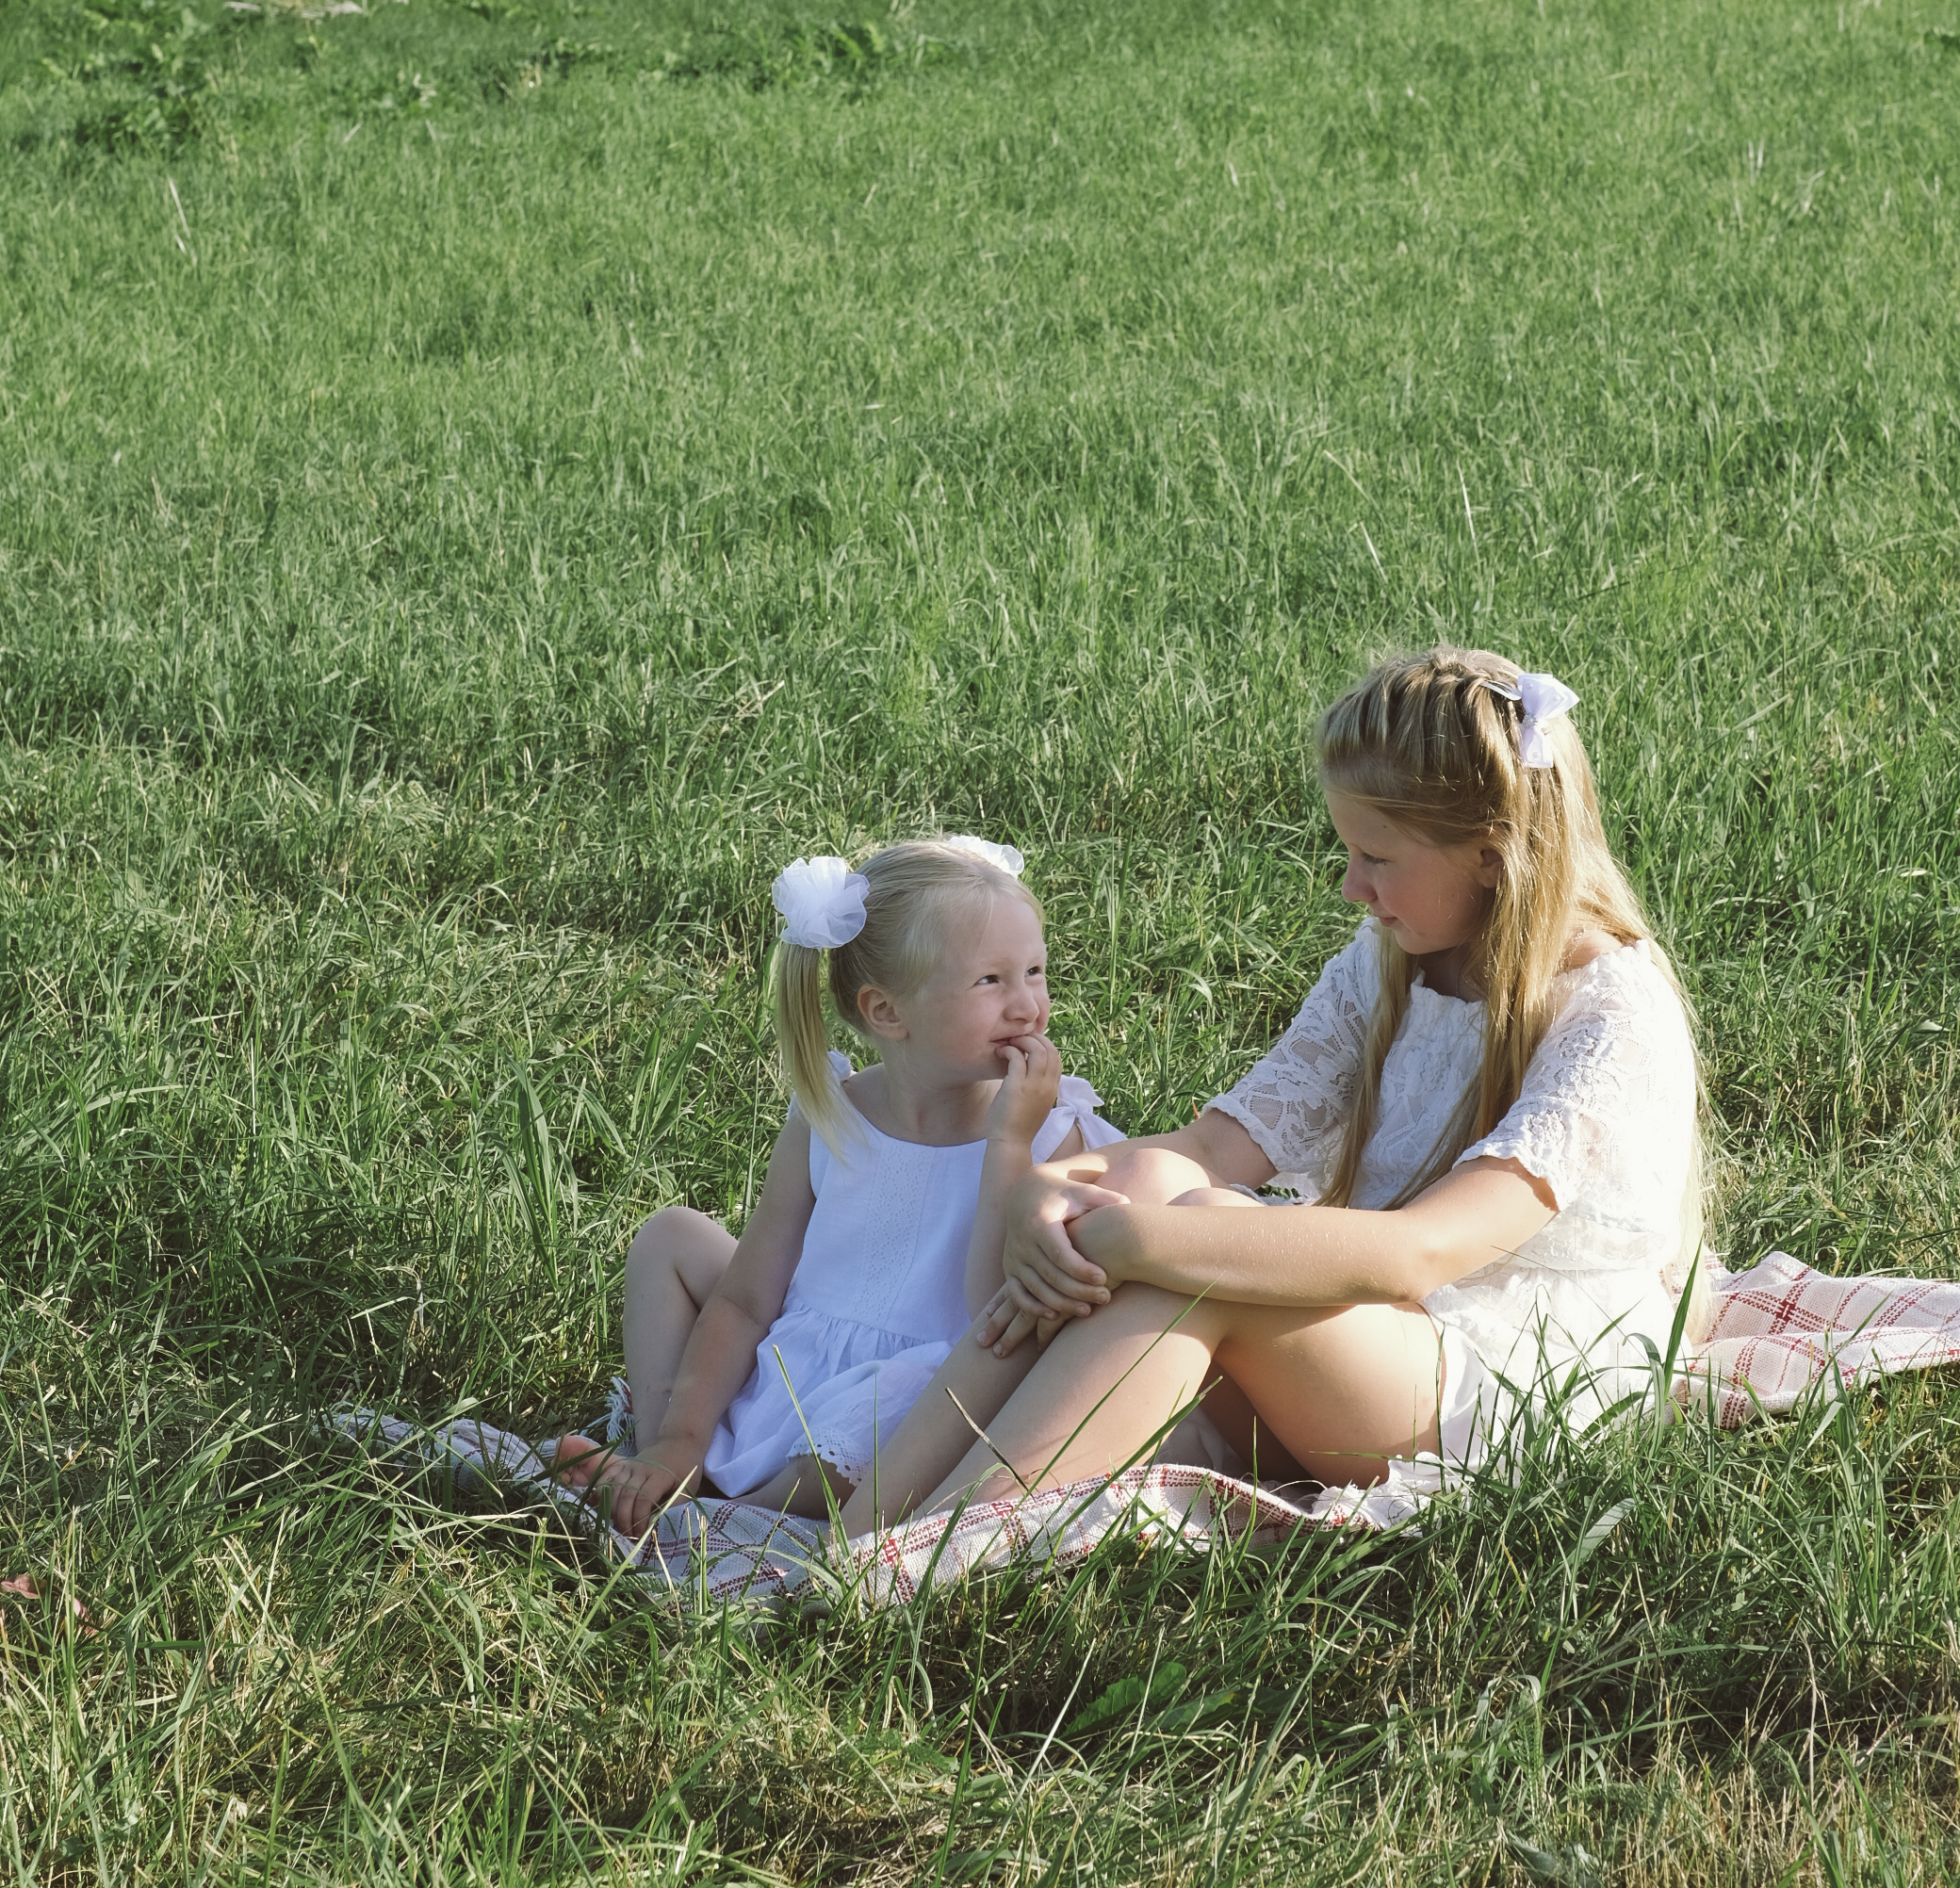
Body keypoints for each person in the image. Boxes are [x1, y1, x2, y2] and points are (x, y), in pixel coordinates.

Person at [834, 648, 1705, 1531]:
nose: (1350, 885)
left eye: (1376, 856)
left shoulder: (1610, 1014)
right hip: (1386, 1338)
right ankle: (871, 1519)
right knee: (1149, 1191)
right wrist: (1057, 1189)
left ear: (1489, 856)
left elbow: (1421, 1253)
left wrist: (1145, 1241)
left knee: (1186, 1252)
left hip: (1505, 1384)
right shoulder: (1394, 962)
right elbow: (1213, 1148)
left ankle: (928, 1550)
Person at [549, 835, 1121, 1538]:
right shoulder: (832, 1112)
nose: (1028, 1006)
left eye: (1034, 972)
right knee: (669, 1235)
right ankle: (669, 1454)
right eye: (990, 982)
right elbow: (746, 1296)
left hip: (936, 1392)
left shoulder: (1043, 1133)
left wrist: (1008, 1142)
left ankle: (730, 1522)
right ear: (887, 1012)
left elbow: (991, 1317)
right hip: (800, 1358)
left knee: (898, 1392)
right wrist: (687, 1431)